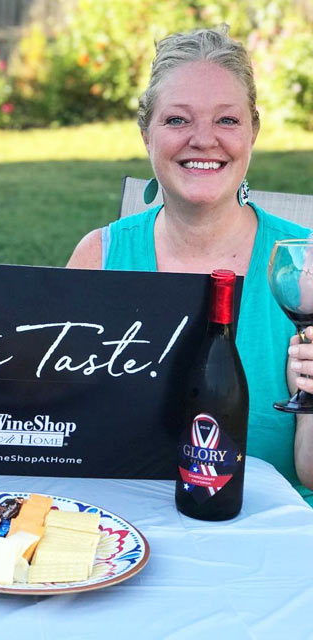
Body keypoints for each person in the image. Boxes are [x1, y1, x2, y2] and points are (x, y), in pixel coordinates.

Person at [67, 26, 313, 506]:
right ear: (146, 133)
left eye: (227, 120)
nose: (204, 140)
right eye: (178, 120)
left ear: (252, 133)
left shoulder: (305, 267)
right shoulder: (98, 258)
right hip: (121, 535)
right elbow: (58, 430)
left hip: (267, 545)